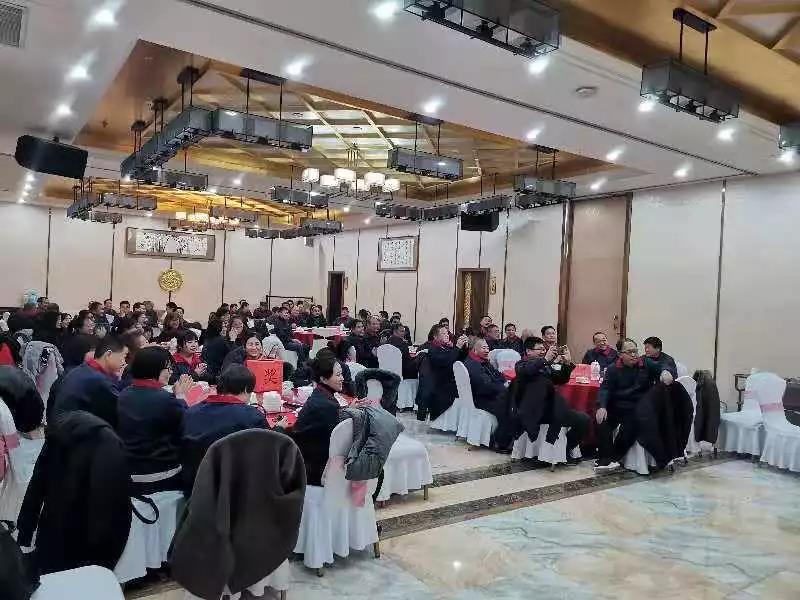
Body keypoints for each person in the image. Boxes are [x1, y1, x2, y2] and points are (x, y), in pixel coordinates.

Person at [180, 365, 272, 495]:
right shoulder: (252, 416)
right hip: (236, 491)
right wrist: (279, 428)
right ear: (247, 389)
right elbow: (270, 449)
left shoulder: (191, 412)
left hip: (195, 487)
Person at [118, 346, 193, 495]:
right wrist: (181, 397)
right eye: (168, 368)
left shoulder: (124, 394)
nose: (170, 372)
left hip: (129, 470)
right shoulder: (165, 399)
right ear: (154, 369)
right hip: (160, 472)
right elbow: (187, 425)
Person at [594, 338, 676, 472]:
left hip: (639, 407)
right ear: (620, 354)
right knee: (601, 421)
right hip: (618, 405)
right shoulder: (613, 369)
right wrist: (602, 406)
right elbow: (605, 389)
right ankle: (605, 458)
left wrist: (666, 371)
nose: (634, 355)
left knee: (630, 426)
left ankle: (614, 457)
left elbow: (663, 366)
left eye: (635, 351)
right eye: (629, 352)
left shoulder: (645, 363)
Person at [513, 337, 588, 463]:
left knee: (584, 419)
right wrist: (545, 360)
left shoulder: (545, 366)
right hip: (532, 412)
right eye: (540, 349)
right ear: (528, 351)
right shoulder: (521, 365)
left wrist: (567, 363)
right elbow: (529, 370)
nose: (543, 352)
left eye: (544, 349)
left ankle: (566, 449)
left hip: (551, 409)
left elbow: (561, 379)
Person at [289, 351, 343, 486]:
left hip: (306, 458)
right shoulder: (326, 405)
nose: (342, 378)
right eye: (338, 375)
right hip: (312, 468)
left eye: (341, 374)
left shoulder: (320, 394)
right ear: (323, 379)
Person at [51, 336, 128, 428]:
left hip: (61, 425)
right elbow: (123, 409)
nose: (124, 362)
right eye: (124, 356)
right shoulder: (99, 380)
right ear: (108, 355)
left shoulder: (83, 369)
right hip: (72, 431)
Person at [463, 338, 515, 453]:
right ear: (474, 350)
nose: (487, 350)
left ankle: (509, 439)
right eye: (483, 348)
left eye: (487, 347)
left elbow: (498, 375)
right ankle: (500, 442)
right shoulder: (473, 364)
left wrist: (504, 384)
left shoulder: (483, 361)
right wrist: (504, 388)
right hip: (482, 399)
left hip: (490, 394)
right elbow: (485, 386)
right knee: (507, 407)